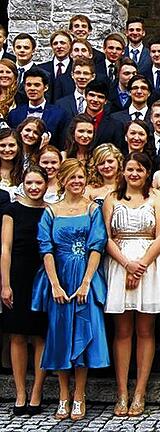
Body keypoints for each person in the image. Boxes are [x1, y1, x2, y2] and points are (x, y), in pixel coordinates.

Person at [31, 159, 110, 421]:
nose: (77, 182)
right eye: (72, 178)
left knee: (83, 332)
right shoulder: (51, 211)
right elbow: (46, 248)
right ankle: (64, 394)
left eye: (81, 177)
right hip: (59, 277)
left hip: (85, 274)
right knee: (60, 335)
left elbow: (97, 245)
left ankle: (80, 395)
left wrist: (87, 281)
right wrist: (54, 283)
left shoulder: (92, 210)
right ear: (63, 180)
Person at [103, 152, 160, 417]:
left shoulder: (158, 197)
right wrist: (127, 264)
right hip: (119, 263)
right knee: (122, 331)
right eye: (130, 169)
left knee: (145, 329)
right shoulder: (111, 198)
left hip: (149, 264)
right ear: (123, 171)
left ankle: (140, 392)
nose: (134, 174)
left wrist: (140, 265)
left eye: (140, 169)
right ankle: (122, 392)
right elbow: (105, 237)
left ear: (147, 172)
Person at [1, 166, 48, 416]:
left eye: (38, 183)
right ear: (23, 184)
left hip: (42, 276)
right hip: (17, 274)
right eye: (29, 182)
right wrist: (5, 283)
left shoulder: (51, 211)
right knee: (17, 335)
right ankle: (20, 392)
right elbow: (5, 249)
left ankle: (37, 391)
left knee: (40, 335)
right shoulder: (12, 210)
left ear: (45, 184)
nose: (33, 187)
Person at [0, 128, 24, 193]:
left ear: (19, 147)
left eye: (11, 145)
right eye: (2, 145)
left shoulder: (25, 172)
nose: (7, 149)